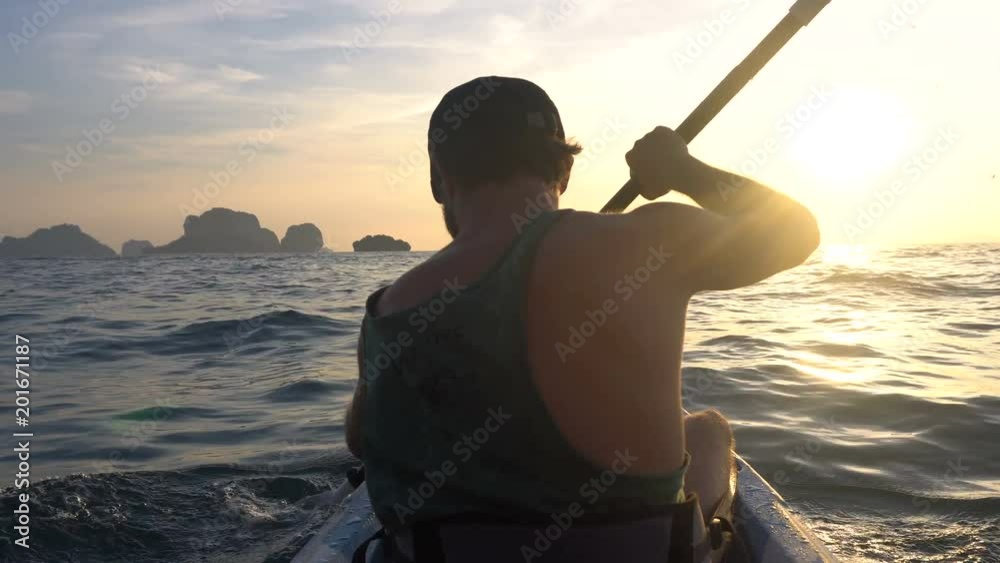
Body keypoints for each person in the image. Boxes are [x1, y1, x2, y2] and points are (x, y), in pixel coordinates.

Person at [345, 76, 819, 561]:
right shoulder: (641, 244)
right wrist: (682, 169)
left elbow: (361, 442)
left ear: (438, 178)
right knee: (707, 432)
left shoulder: (385, 310)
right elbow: (795, 233)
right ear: (564, 168)